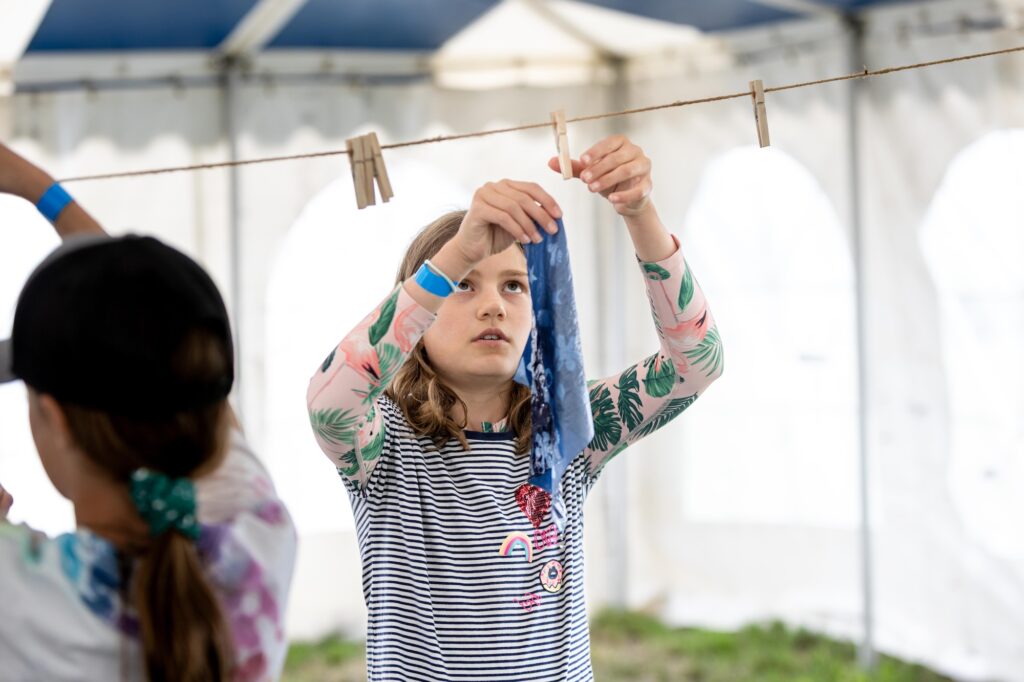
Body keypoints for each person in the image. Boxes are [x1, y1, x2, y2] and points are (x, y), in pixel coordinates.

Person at [306, 134, 724, 680]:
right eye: (462, 284)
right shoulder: (386, 441)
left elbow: (696, 362)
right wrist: (459, 248)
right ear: (417, 315)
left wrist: (640, 212)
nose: (492, 306)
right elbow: (329, 400)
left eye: (513, 286)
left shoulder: (570, 427)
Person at [0, 143, 296, 681]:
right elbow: (151, 330)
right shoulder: (258, 536)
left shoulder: (18, 603)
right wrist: (39, 188)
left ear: (55, 420)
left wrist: (36, 186)